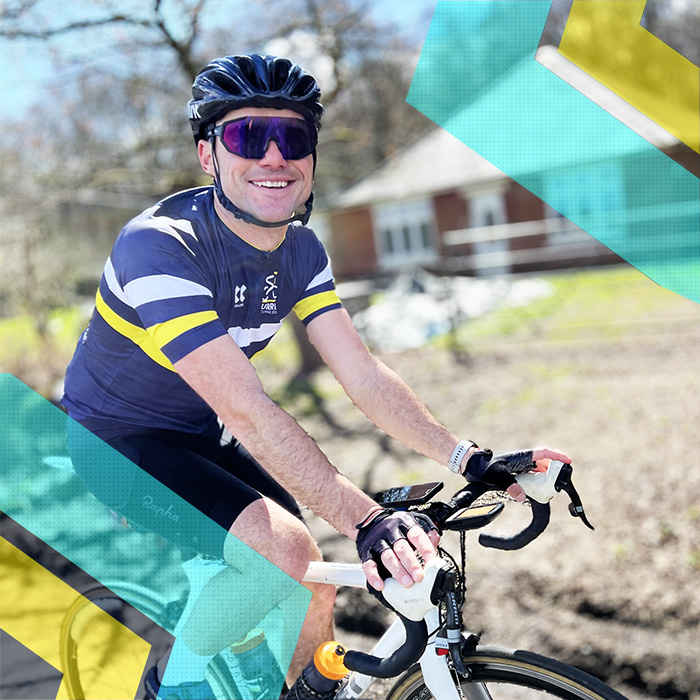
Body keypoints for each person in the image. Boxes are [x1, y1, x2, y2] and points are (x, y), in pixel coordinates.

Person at [62, 53, 570, 700]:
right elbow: (246, 409)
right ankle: (168, 690)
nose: (274, 155)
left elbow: (363, 375)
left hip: (198, 426)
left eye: (293, 137)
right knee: (285, 553)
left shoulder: (303, 251)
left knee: (314, 576)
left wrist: (468, 458)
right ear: (208, 155)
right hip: (115, 441)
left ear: (310, 159)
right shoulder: (159, 246)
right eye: (248, 136)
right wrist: (366, 522)